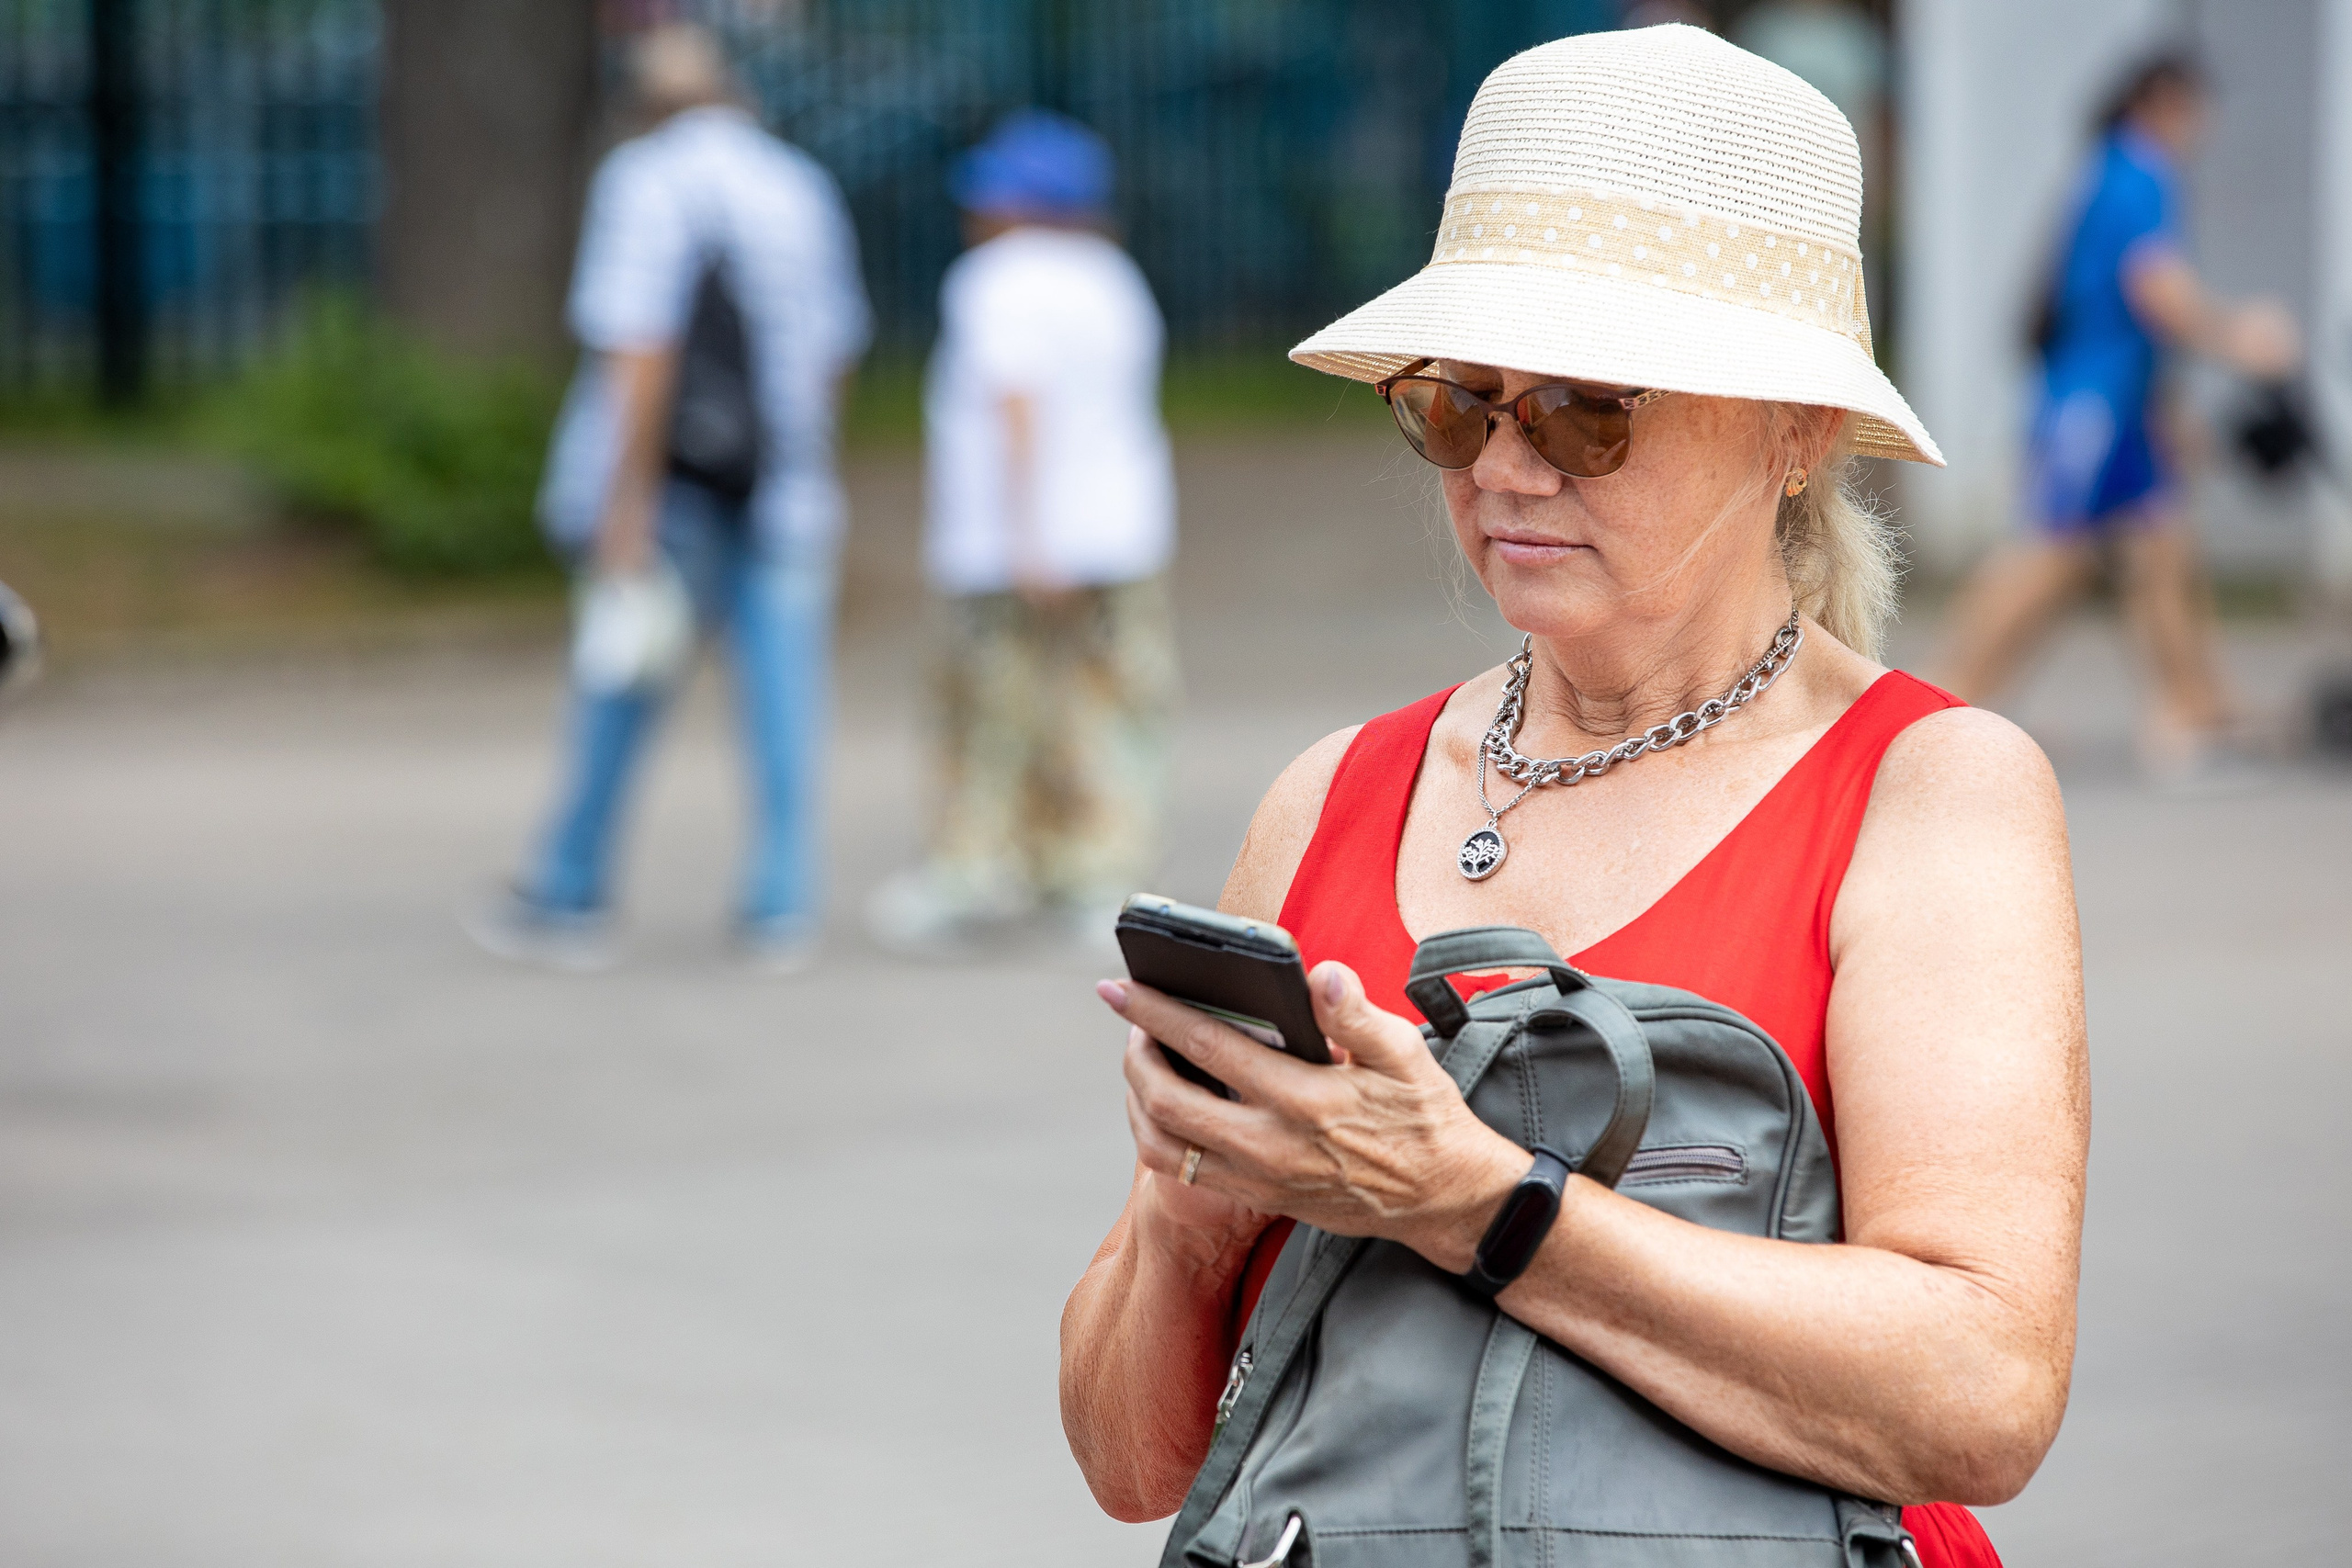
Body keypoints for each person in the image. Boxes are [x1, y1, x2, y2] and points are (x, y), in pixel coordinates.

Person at [1062, 27, 2083, 1568]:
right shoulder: (1334, 790)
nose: (1507, 468)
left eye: (1589, 408)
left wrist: (1475, 1201)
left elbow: (1982, 1390)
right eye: (1464, 404)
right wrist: (1193, 1210)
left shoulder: (1930, 788)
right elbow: (1133, 1465)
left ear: (1796, 433)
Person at [467, 23, 870, 972]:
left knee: (621, 681)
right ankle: (780, 902)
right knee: (783, 696)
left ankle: (570, 886)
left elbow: (638, 352)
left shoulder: (641, 181)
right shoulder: (797, 184)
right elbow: (836, 346)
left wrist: (623, 503)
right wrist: (807, 462)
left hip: (672, 491)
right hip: (783, 487)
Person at [1933, 51, 2299, 778]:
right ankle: (1939, 702)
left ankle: (2191, 710)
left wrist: (2166, 409)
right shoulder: (2137, 170)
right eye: (2197, 110)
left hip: (2120, 404)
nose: (2203, 128)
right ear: (2162, 103)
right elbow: (2153, 291)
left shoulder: (2110, 170)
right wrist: (2241, 336)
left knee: (2163, 548)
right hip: (2092, 404)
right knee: (2052, 554)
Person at [865, 111, 1178, 955]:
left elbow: (1017, 406)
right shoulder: (1113, 275)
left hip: (1011, 543)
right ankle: (1095, 868)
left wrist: (1030, 533)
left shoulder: (997, 279)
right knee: (1106, 704)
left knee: (987, 706)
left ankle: (975, 866)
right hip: (1120, 532)